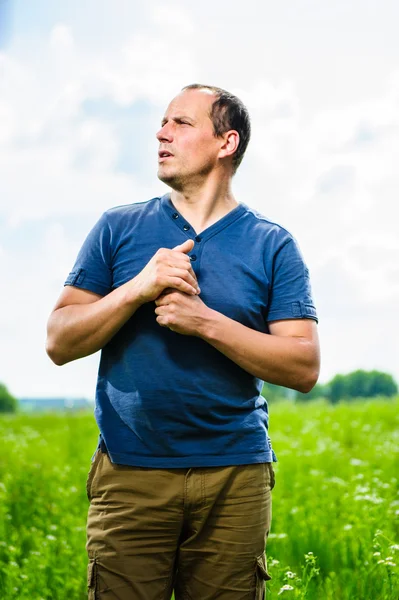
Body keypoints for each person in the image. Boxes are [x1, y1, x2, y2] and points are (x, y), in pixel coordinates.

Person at [46, 83, 320, 600]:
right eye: (163, 122)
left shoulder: (272, 243)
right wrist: (136, 289)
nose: (161, 132)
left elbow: (303, 366)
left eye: (181, 123)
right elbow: (59, 340)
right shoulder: (118, 228)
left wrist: (203, 321)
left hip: (235, 479)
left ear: (226, 142)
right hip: (130, 473)